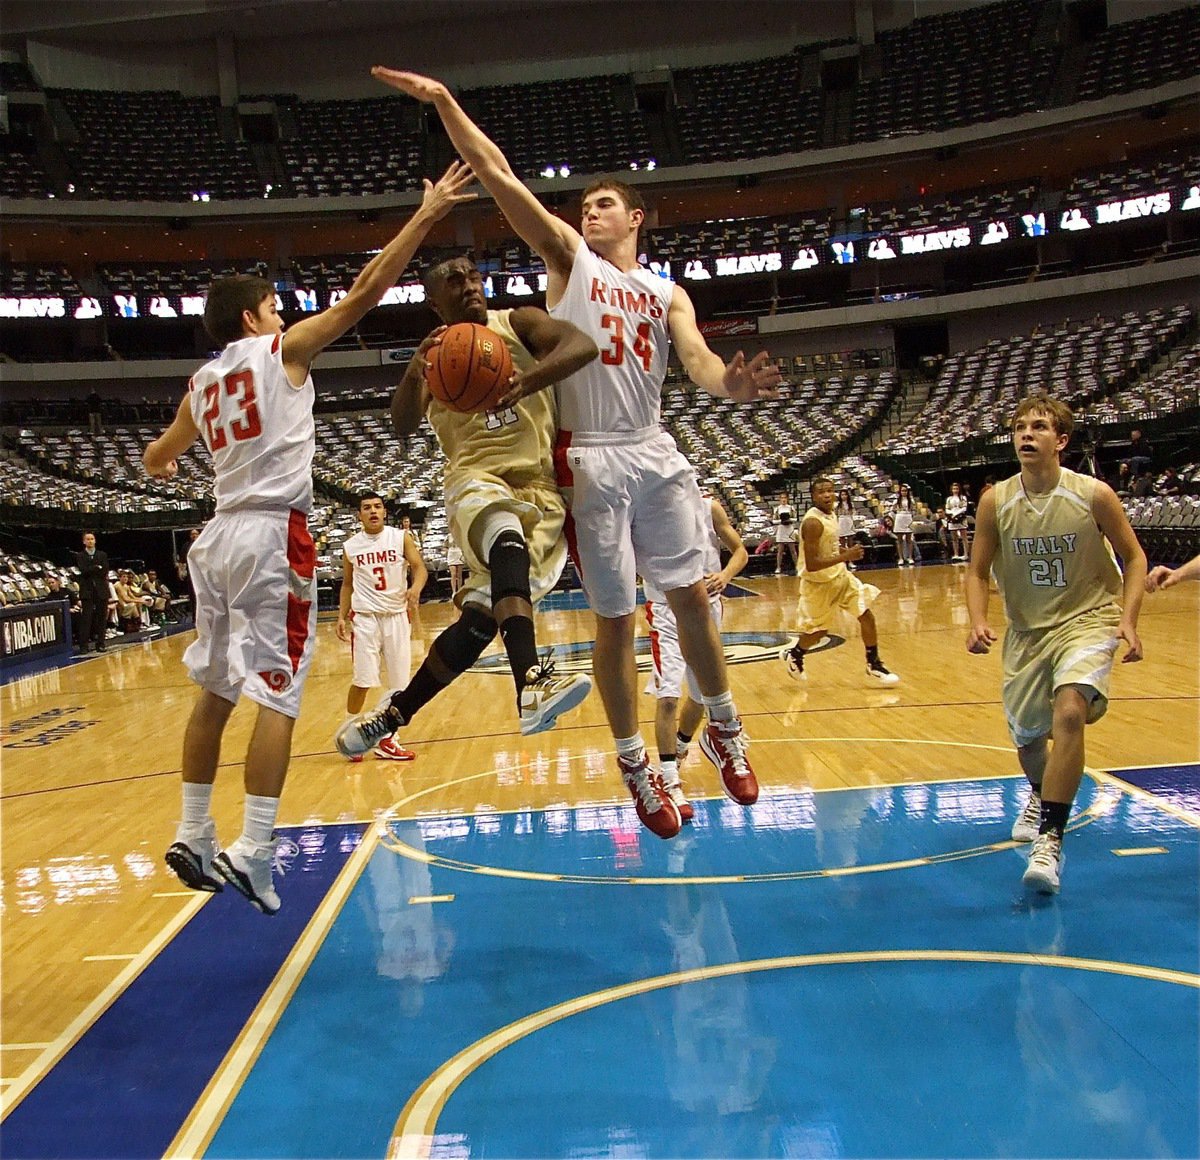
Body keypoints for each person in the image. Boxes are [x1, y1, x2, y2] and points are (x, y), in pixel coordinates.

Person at [372, 68, 782, 840]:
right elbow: (496, 172)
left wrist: (732, 382)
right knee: (618, 624)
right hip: (589, 459)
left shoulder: (667, 292)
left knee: (692, 599)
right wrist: (446, 103)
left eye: (603, 204)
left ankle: (726, 728)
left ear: (635, 216)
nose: (588, 213)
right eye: (584, 205)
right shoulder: (569, 260)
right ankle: (636, 766)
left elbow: (697, 363)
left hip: (655, 446)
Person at [142, 163, 476, 915]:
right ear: (255, 321)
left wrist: (175, 462)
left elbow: (157, 457)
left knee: (216, 689)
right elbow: (362, 295)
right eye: (272, 305)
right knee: (280, 697)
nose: (280, 311)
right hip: (270, 535)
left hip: (218, 536)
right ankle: (255, 849)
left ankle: (194, 831)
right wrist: (422, 218)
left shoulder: (201, 383)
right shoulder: (280, 352)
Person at [335, 255, 598, 756]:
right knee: (504, 530)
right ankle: (531, 681)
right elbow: (403, 423)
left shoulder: (517, 322)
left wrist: (529, 380)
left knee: (479, 622)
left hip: (539, 488)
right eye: (454, 281)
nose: (470, 286)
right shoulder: (434, 356)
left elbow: (583, 345)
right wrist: (414, 375)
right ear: (435, 303)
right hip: (476, 478)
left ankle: (391, 717)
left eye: (474, 277)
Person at [966, 395, 1145, 895]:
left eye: (1039, 426)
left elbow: (1134, 558)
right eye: (1020, 427)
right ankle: (1043, 792)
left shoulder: (1093, 494)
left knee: (1069, 712)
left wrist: (1128, 621)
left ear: (1060, 440)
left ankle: (1051, 838)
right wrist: (978, 619)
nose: (1026, 434)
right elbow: (977, 571)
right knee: (1027, 741)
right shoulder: (995, 500)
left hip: (1088, 619)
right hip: (1026, 631)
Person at [644, 494, 748, 823]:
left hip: (707, 606)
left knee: (702, 697)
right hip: (664, 609)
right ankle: (669, 779)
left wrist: (726, 575)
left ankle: (682, 744)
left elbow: (741, 551)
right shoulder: (646, 507)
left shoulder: (709, 506)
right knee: (668, 699)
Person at [781, 477, 901, 687]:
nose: (827, 495)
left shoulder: (832, 514)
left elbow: (829, 549)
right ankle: (795, 654)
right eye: (821, 492)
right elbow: (812, 564)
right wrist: (846, 557)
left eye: (830, 490)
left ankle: (873, 663)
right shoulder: (812, 522)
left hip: (841, 577)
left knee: (866, 615)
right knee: (819, 632)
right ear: (813, 496)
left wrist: (846, 553)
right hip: (818, 584)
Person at [336, 491, 427, 762]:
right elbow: (348, 584)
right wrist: (342, 616)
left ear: (384, 512)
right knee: (363, 680)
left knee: (399, 685)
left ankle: (388, 740)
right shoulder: (351, 546)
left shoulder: (400, 538)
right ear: (359, 515)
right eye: (367, 508)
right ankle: (351, 731)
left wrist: (416, 588)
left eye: (377, 506)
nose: (373, 511)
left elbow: (419, 567)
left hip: (397, 616)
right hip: (365, 618)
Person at [73, 531, 110, 653]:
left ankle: (101, 643)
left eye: (92, 539)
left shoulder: (102, 554)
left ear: (95, 540)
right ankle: (84, 645)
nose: (90, 541)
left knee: (101, 618)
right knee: (86, 618)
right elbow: (83, 571)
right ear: (84, 541)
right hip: (87, 590)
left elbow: (104, 570)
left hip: (101, 590)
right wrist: (95, 568)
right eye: (87, 539)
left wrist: (92, 569)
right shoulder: (80, 555)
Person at [772, 491, 799, 575]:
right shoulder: (777, 509)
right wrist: (782, 520)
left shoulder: (791, 508)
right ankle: (778, 567)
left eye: (785, 498)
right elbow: (774, 520)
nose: (783, 499)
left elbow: (795, 518)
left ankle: (797, 566)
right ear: (779, 499)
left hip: (789, 529)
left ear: (787, 499)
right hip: (781, 529)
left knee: (793, 550)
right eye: (782, 498)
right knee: (780, 550)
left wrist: (788, 520)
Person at [890, 482, 916, 567]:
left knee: (909, 539)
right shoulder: (896, 501)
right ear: (900, 492)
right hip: (899, 517)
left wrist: (911, 518)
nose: (904, 492)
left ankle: (910, 557)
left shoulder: (911, 500)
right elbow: (892, 510)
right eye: (902, 491)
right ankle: (901, 558)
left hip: (908, 517)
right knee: (899, 540)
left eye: (905, 491)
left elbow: (914, 510)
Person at [945, 481, 969, 562]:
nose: (955, 490)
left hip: (961, 518)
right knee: (954, 538)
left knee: (964, 537)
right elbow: (947, 509)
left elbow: (964, 508)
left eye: (956, 488)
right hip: (952, 518)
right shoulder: (949, 499)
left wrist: (956, 514)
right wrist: (951, 514)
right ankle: (956, 554)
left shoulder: (963, 497)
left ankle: (966, 554)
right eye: (953, 489)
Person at [835, 488, 857, 570]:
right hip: (841, 522)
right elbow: (836, 515)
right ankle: (843, 562)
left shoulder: (851, 504)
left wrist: (852, 524)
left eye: (845, 494)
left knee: (850, 543)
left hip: (849, 521)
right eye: (842, 495)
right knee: (843, 544)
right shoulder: (837, 505)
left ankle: (851, 561)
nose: (844, 496)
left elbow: (852, 514)